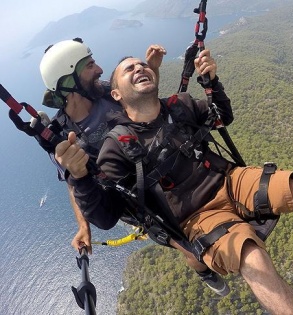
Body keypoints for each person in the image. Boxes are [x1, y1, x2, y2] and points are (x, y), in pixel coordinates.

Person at [57, 50, 293, 314]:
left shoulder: (180, 105)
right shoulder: (115, 148)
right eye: (128, 69)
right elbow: (105, 217)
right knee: (252, 258)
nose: (139, 68)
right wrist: (81, 178)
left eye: (141, 65)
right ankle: (213, 274)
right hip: (194, 217)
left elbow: (223, 117)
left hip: (228, 180)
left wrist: (210, 82)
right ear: (116, 95)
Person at [38, 38, 229, 296]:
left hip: (158, 165)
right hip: (134, 198)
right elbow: (74, 182)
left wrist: (153, 70)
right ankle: (204, 271)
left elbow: (150, 110)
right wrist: (84, 225)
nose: (100, 71)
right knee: (190, 247)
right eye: (89, 65)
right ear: (69, 81)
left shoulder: (106, 93)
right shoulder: (64, 135)